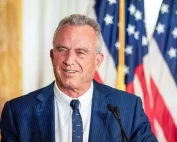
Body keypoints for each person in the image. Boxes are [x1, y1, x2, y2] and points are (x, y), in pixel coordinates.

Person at [0, 14, 157, 142]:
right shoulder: (18, 112)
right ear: (52, 56)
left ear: (98, 61)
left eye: (80, 52)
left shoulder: (127, 108)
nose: (69, 60)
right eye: (62, 50)